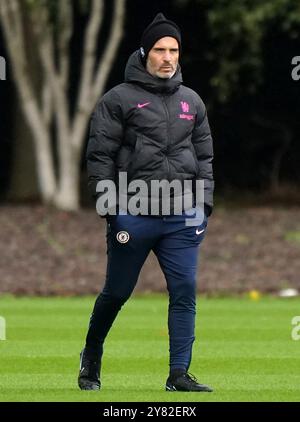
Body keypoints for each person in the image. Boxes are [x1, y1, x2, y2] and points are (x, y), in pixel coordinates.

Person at [79, 13, 214, 392]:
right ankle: (91, 356)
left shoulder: (192, 101)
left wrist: (202, 208)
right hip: (133, 214)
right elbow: (99, 157)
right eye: (160, 50)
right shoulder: (117, 100)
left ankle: (178, 375)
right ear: (145, 52)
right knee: (117, 292)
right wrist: (111, 210)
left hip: (182, 217)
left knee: (184, 291)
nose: (168, 57)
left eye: (173, 50)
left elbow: (205, 159)